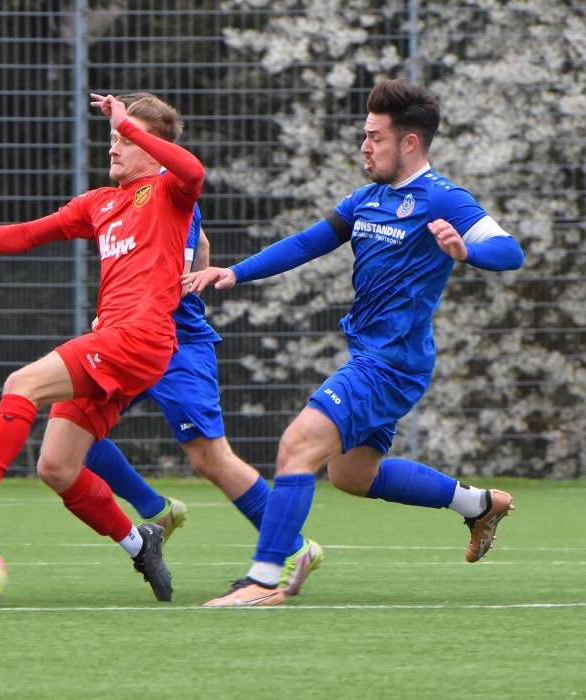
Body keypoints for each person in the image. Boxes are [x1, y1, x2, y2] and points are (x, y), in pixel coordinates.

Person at [184, 78, 524, 607]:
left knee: (297, 446)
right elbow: (308, 243)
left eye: (375, 137)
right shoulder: (367, 199)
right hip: (371, 355)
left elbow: (510, 251)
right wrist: (235, 272)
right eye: (365, 135)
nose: (364, 146)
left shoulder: (442, 198)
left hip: (392, 363)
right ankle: (477, 504)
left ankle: (265, 581)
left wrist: (466, 252)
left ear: (410, 142)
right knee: (352, 474)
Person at [0, 92, 204, 601]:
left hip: (139, 338)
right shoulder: (99, 203)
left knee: (22, 383)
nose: (113, 147)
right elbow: (31, 233)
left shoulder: (169, 191)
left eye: (124, 139)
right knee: (56, 466)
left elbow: (193, 170)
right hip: (117, 342)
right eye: (112, 138)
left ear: (152, 147)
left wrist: (129, 124)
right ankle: (140, 543)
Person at [83, 206, 323, 597]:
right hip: (129, 341)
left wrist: (116, 314)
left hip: (177, 348)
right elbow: (203, 244)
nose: (112, 158)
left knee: (210, 457)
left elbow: (174, 282)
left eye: (120, 142)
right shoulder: (129, 196)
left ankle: (293, 548)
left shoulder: (171, 194)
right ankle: (157, 510)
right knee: (73, 431)